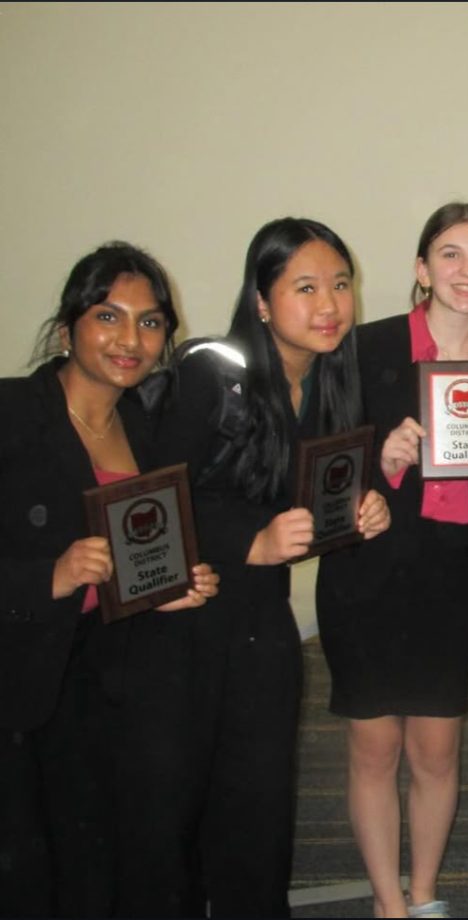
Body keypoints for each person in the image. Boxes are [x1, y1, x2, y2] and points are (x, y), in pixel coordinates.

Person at [139, 218, 390, 917]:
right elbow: (154, 500)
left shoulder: (332, 383)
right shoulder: (210, 373)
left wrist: (367, 510)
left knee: (259, 805)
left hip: (259, 625)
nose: (329, 304)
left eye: (340, 285)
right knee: (178, 806)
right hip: (183, 623)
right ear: (260, 300)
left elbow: (321, 498)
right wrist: (246, 541)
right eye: (305, 287)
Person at [316, 202, 468, 919]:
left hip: (450, 574)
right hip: (368, 571)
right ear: (421, 269)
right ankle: (387, 903)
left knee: (436, 752)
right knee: (373, 752)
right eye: (451, 254)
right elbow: (322, 467)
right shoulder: (364, 347)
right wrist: (382, 460)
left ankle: (425, 895)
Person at [0, 242, 218, 916]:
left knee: (131, 858)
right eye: (108, 317)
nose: (131, 340)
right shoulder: (11, 417)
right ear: (69, 328)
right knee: (44, 871)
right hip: (31, 688)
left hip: (125, 682)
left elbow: (146, 552)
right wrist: (51, 576)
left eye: (150, 323)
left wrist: (178, 585)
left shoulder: (147, 429)